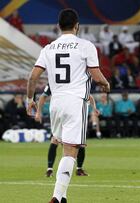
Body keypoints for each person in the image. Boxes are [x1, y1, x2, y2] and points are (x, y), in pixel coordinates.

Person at [26, 8, 110, 203]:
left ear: (58, 26)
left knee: (64, 148)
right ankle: (56, 196)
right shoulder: (85, 46)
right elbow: (97, 76)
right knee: (71, 151)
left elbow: (33, 77)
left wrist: (30, 99)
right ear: (77, 26)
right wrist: (106, 84)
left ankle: (62, 197)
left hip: (55, 104)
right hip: (75, 102)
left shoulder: (48, 48)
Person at [35, 84, 100, 177]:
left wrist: (38, 112)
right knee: (76, 140)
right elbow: (89, 96)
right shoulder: (76, 79)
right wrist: (94, 107)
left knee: (56, 139)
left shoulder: (54, 80)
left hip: (59, 111)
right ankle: (74, 169)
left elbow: (43, 96)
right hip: (72, 112)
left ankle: (51, 170)